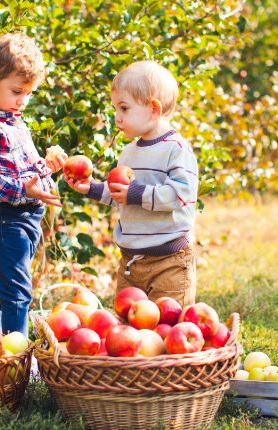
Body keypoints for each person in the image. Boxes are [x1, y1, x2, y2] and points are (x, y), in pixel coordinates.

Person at [0, 33, 66, 335]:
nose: (23, 100)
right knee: (18, 291)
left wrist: (48, 167)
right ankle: (17, 356)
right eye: (17, 91)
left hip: (26, 220)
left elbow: (26, 173)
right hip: (5, 221)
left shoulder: (13, 121)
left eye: (29, 93)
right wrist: (22, 191)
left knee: (1, 286)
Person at [67, 61, 198, 306]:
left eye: (124, 108)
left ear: (153, 109)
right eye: (116, 109)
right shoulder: (128, 152)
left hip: (169, 260)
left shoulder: (176, 149)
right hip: (130, 261)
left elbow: (181, 194)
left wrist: (135, 193)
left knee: (168, 327)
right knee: (129, 330)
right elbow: (124, 196)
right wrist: (93, 188)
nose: (117, 117)